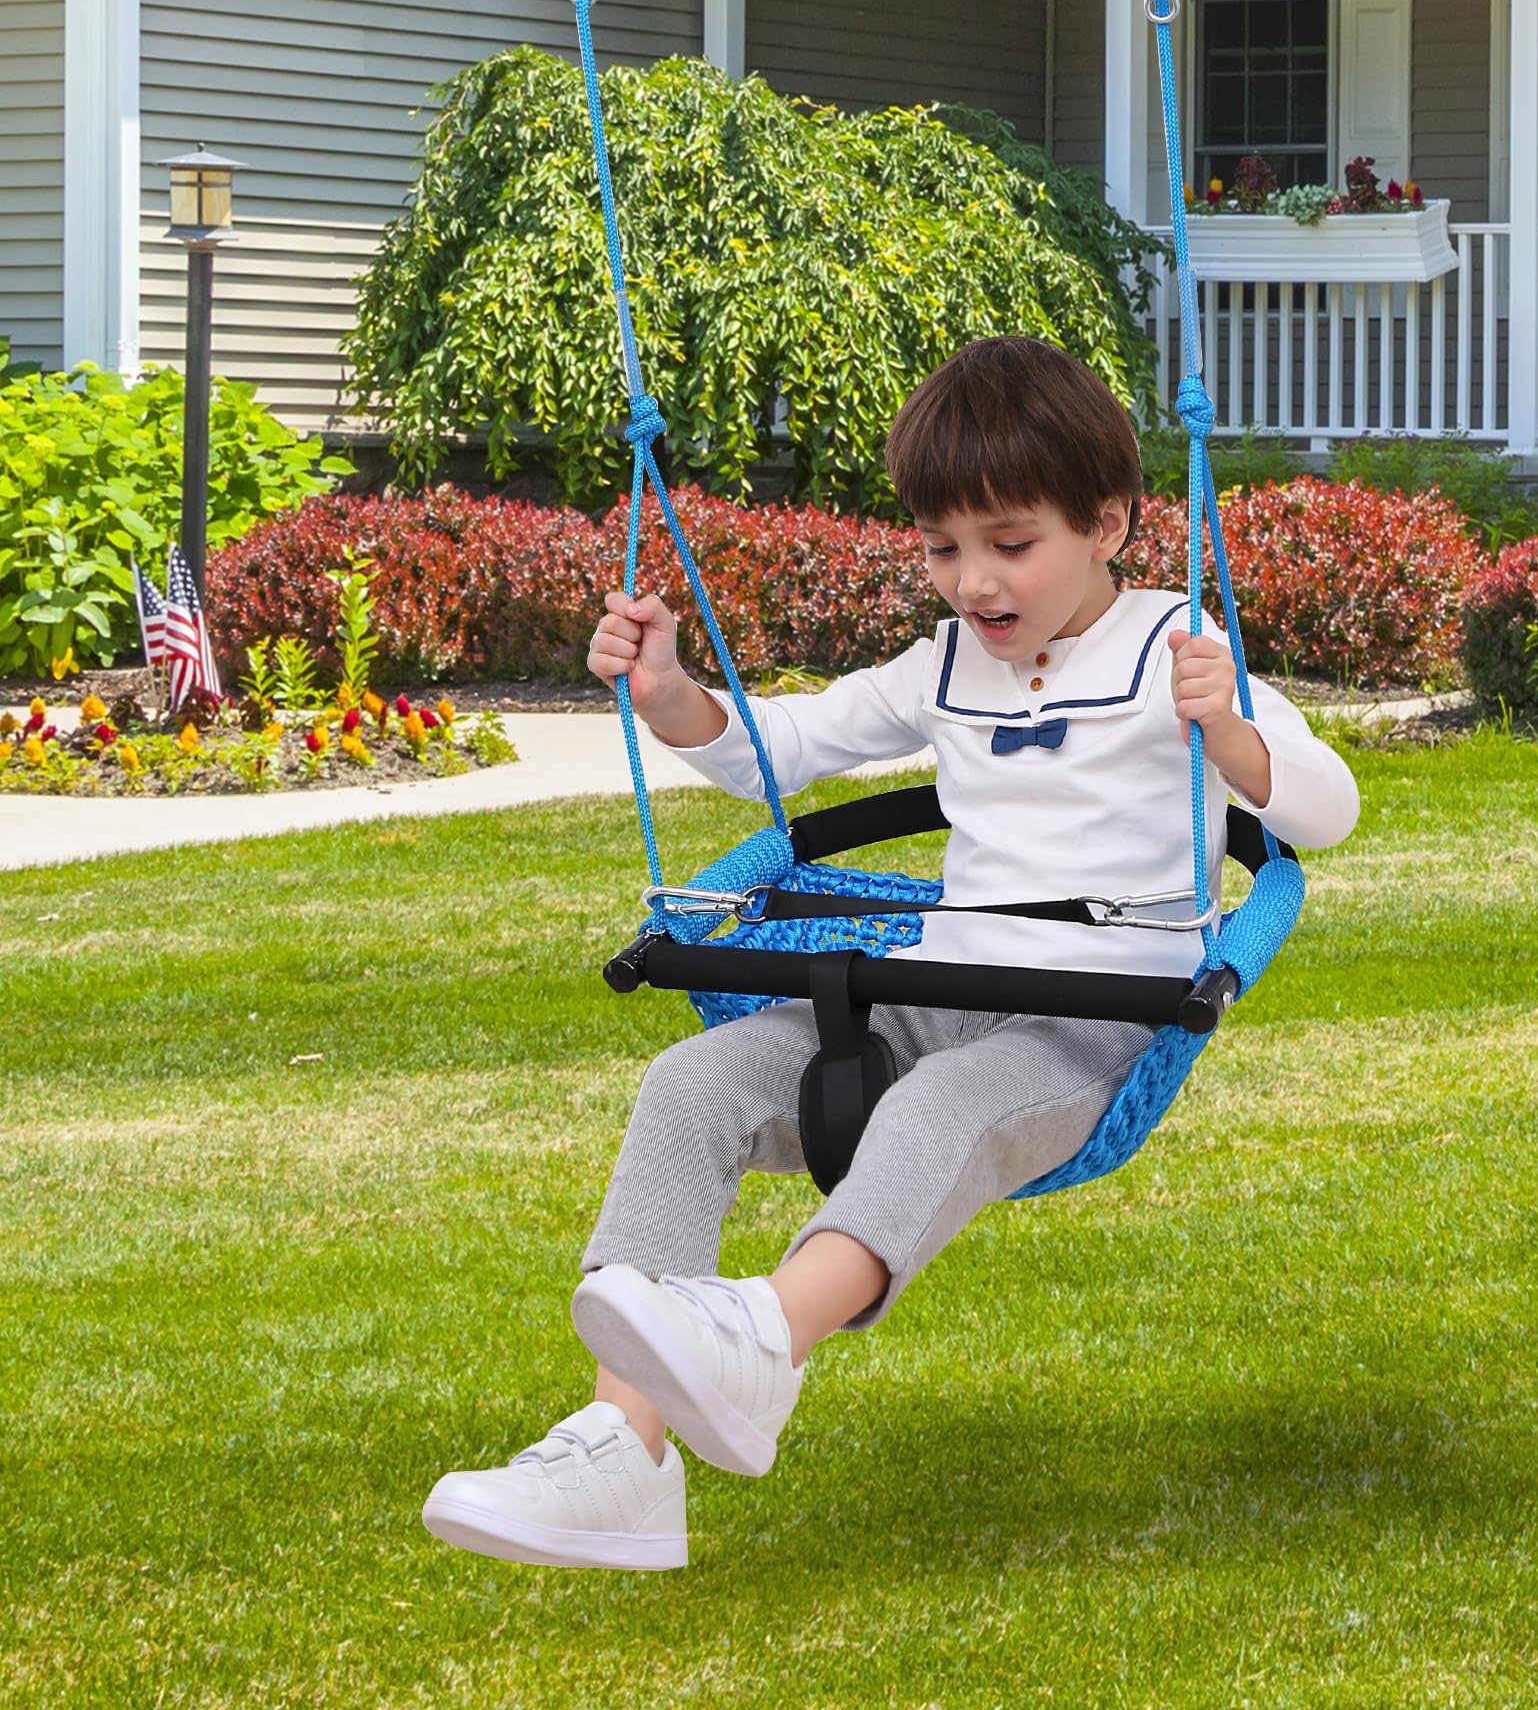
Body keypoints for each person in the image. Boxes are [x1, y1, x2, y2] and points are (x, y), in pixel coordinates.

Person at [421, 336, 1360, 1572]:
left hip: (1091, 1022)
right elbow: (782, 751)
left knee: (937, 1113)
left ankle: (765, 1339)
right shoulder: (947, 665)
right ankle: (621, 1450)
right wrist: (670, 700)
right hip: (934, 986)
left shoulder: (1173, 649)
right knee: (687, 1087)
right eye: (942, 548)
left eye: (1010, 544)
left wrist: (1232, 739)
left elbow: (1325, 812)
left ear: (1111, 526)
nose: (973, 580)